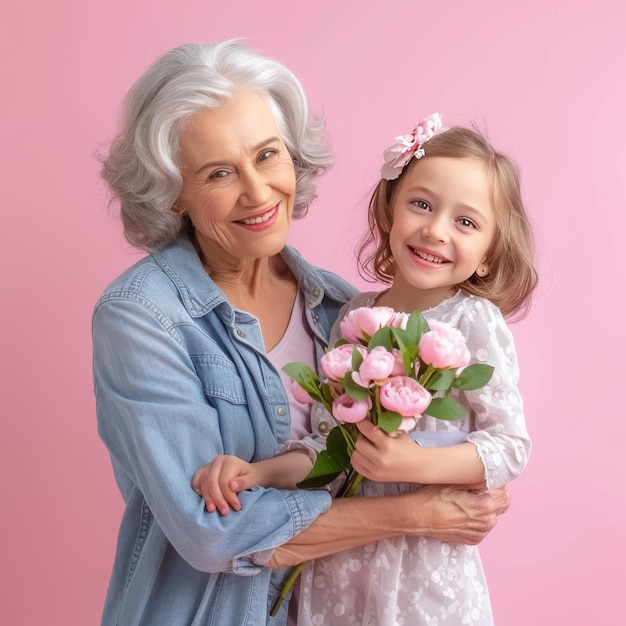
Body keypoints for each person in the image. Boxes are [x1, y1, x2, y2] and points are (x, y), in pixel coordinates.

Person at [93, 40, 511, 626]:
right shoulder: (142, 315)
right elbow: (213, 531)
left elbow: (356, 462)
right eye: (218, 173)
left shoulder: (347, 311)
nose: (259, 193)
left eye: (267, 155)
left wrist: (449, 476)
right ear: (172, 192)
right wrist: (420, 512)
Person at [193, 112, 537, 624]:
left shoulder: (474, 321)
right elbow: (331, 448)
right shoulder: (356, 316)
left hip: (427, 572)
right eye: (421, 204)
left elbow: (509, 446)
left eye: (465, 222)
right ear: (389, 212)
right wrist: (257, 473)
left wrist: (411, 466)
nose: (436, 230)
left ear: (487, 256)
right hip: (340, 570)